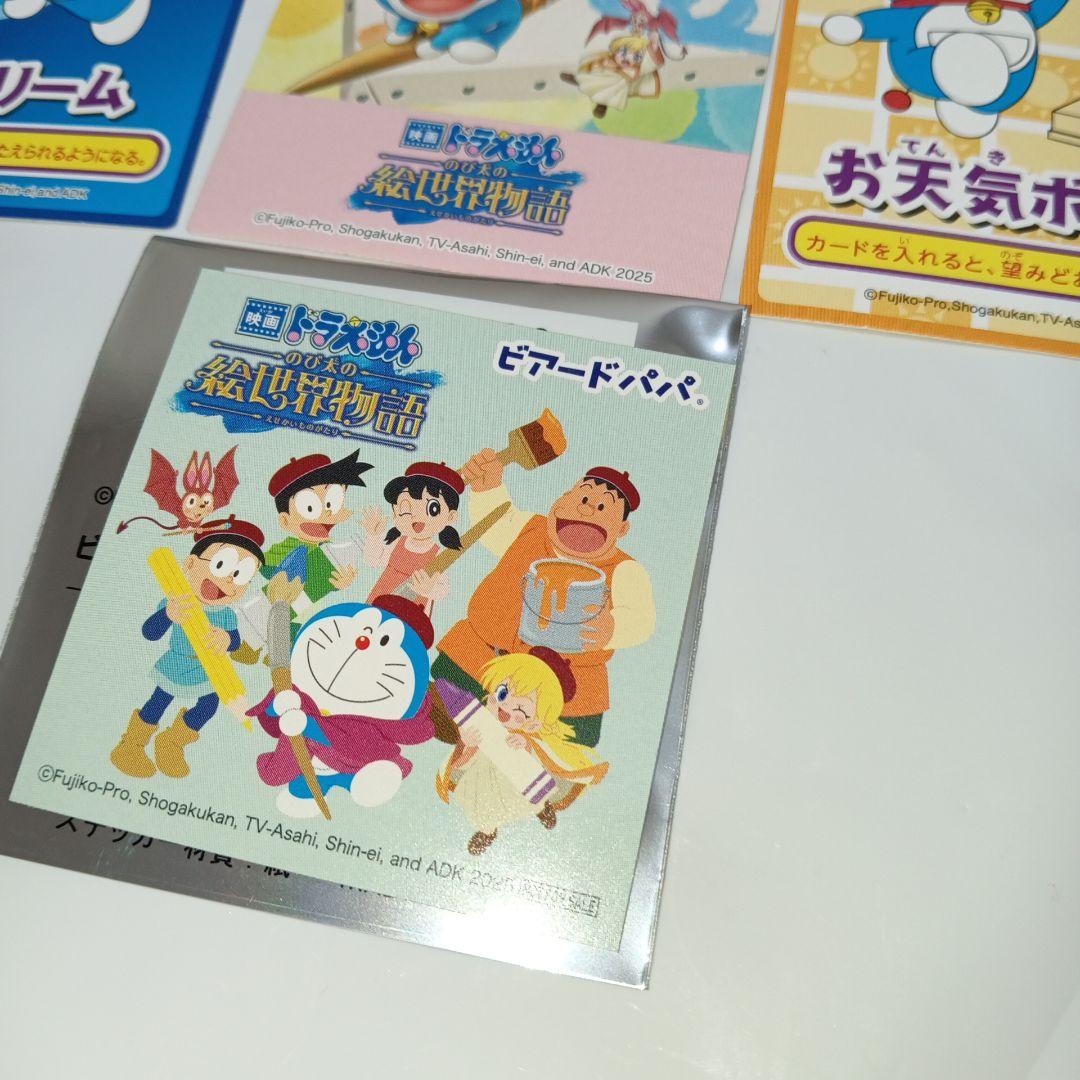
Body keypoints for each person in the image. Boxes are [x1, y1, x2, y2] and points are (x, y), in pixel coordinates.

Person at [433, 455, 654, 749]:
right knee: (446, 691)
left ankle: (533, 749)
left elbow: (641, 618)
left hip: (564, 680)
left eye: (602, 507)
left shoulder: (625, 569)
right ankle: (454, 720)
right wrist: (488, 488)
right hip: (486, 653)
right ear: (564, 497)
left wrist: (612, 629)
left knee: (568, 739)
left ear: (622, 530)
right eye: (583, 497)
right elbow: (498, 525)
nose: (587, 508)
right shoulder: (531, 528)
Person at [109, 518, 265, 780]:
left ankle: (171, 743)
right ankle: (130, 747)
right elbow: (149, 632)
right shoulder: (177, 602)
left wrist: (227, 640)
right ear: (190, 564)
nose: (229, 579)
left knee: (208, 706)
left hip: (209, 669)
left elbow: (236, 639)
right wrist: (167, 615)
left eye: (241, 576)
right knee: (158, 703)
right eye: (221, 565)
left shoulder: (226, 614)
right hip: (176, 664)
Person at [435, 647, 608, 854]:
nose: (505, 708)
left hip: (517, 778)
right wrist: (468, 743)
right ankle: (487, 831)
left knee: (531, 796)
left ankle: (541, 807)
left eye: (520, 709)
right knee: (481, 806)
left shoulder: (528, 737)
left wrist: (524, 744)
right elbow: (462, 763)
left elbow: (538, 758)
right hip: (484, 778)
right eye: (502, 694)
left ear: (533, 724)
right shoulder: (481, 720)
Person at [261, 450, 372, 637]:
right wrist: (282, 574)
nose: (326, 514)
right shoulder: (289, 546)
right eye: (310, 507)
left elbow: (325, 582)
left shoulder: (328, 550)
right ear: (285, 520)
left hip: (308, 617)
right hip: (278, 615)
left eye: (331, 503)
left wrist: (341, 582)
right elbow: (265, 566)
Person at [361, 461, 463, 614]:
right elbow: (372, 560)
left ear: (451, 516)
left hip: (413, 612)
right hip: (379, 604)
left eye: (432, 509)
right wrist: (374, 536)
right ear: (395, 512)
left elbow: (443, 590)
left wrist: (429, 589)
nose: (416, 516)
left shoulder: (438, 555)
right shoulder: (397, 542)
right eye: (406, 508)